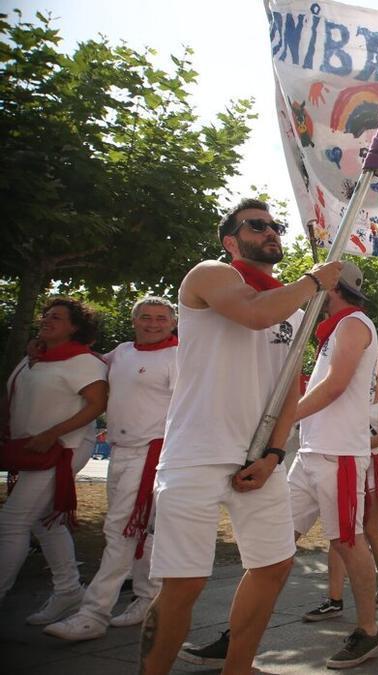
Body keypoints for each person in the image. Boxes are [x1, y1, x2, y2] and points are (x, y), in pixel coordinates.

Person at [140, 198, 342, 674]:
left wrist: (274, 452)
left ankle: (238, 667)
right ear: (231, 240)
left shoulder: (293, 303)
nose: (271, 231)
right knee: (183, 583)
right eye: (257, 225)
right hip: (196, 453)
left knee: (274, 566)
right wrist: (313, 282)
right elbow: (252, 314)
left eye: (276, 225)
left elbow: (289, 387)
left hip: (258, 460)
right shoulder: (210, 275)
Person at [45, 297, 178, 641]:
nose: (153, 324)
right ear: (134, 321)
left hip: (152, 454)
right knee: (141, 533)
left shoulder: (179, 356)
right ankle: (148, 598)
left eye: (161, 318)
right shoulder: (120, 352)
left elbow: (189, 409)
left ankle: (93, 613)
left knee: (120, 532)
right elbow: (87, 369)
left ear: (172, 322)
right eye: (146, 317)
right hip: (121, 451)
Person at [287, 261, 378, 669]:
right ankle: (242, 630)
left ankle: (369, 631)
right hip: (312, 452)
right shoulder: (333, 329)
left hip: (339, 453)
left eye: (317, 281)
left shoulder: (354, 323)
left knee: (348, 540)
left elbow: (337, 384)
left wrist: (283, 416)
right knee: (275, 537)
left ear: (334, 286)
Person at [0, 297, 107, 623]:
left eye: (57, 317)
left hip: (61, 449)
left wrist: (52, 433)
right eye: (46, 315)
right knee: (43, 521)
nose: (47, 320)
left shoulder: (85, 362)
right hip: (31, 450)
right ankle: (69, 591)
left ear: (75, 327)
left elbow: (97, 404)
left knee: (12, 522)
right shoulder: (34, 357)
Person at [305, 345, 378, 624]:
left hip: (374, 464)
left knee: (370, 529)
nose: (373, 366)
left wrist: (353, 444)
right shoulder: (351, 388)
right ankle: (334, 598)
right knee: (341, 532)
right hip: (346, 461)